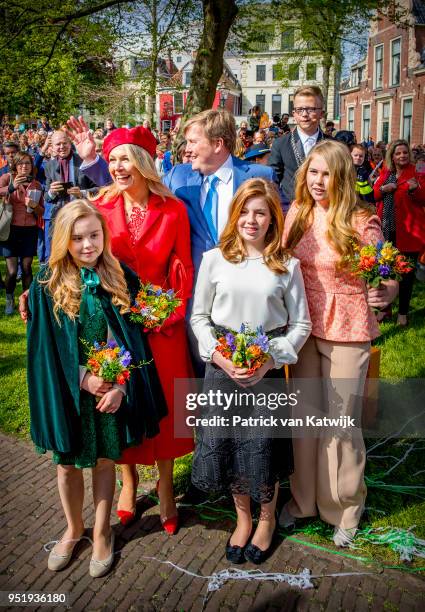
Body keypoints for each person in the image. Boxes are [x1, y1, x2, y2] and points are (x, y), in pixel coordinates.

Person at [63, 118, 195, 532]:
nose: (118, 167)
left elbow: (182, 268)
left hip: (160, 327)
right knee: (122, 402)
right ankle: (128, 481)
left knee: (168, 409)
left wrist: (167, 313)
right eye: (112, 159)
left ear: (143, 162)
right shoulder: (100, 207)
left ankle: (167, 487)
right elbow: (70, 253)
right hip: (114, 327)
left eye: (125, 159)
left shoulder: (173, 210)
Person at [27, 199, 166, 577]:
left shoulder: (119, 276)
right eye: (78, 238)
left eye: (94, 235)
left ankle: (103, 532)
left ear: (104, 235)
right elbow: (44, 350)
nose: (88, 245)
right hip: (70, 395)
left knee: (105, 461)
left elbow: (132, 341)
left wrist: (120, 385)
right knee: (68, 467)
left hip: (109, 394)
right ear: (63, 241)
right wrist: (81, 379)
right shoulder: (45, 284)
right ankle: (74, 529)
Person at [279, 140, 398, 547]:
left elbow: (387, 269)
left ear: (343, 176)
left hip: (347, 326)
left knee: (341, 423)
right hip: (303, 327)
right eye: (313, 172)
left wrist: (389, 289)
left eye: (327, 173)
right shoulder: (296, 213)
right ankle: (303, 502)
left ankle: (344, 508)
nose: (317, 181)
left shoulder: (361, 220)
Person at [190, 178, 311, 564]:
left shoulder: (285, 265)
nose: (251, 219)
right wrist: (219, 356)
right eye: (244, 210)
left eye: (260, 212)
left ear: (273, 218)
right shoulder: (214, 259)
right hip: (223, 366)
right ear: (234, 214)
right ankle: (242, 518)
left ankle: (266, 517)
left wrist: (271, 360)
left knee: (262, 447)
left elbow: (300, 325)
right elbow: (200, 317)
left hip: (266, 369)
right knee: (226, 444)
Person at [373, 139, 425, 326]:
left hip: (409, 232)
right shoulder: (387, 172)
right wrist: (384, 188)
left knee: (406, 274)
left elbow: (423, 197)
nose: (402, 155)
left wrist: (414, 190)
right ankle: (384, 310)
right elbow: (375, 193)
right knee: (384, 272)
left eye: (404, 152)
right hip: (387, 230)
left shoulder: (417, 171)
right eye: (398, 153)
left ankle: (402, 313)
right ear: (392, 156)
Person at [43, 130, 99, 259]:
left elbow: (100, 188)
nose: (62, 147)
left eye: (64, 143)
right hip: (60, 216)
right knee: (60, 254)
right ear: (52, 147)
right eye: (58, 144)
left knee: (81, 253)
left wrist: (82, 193)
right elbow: (47, 197)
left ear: (70, 143)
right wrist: (52, 191)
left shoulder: (84, 161)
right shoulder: (50, 166)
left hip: (82, 214)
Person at [268, 86, 327, 206]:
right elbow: (272, 182)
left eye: (311, 109)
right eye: (299, 109)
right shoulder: (280, 144)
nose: (304, 114)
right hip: (291, 211)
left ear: (321, 113)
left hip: (325, 211)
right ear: (294, 114)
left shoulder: (334, 145)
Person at [0, 152, 44, 314]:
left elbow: (41, 211)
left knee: (26, 268)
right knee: (12, 272)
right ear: (15, 166)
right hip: (10, 230)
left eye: (27, 163)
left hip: (29, 231)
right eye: (20, 164)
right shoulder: (7, 178)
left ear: (32, 166)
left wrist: (33, 205)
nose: (24, 167)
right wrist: (11, 187)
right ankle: (10, 298)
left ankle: (27, 301)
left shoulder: (37, 185)